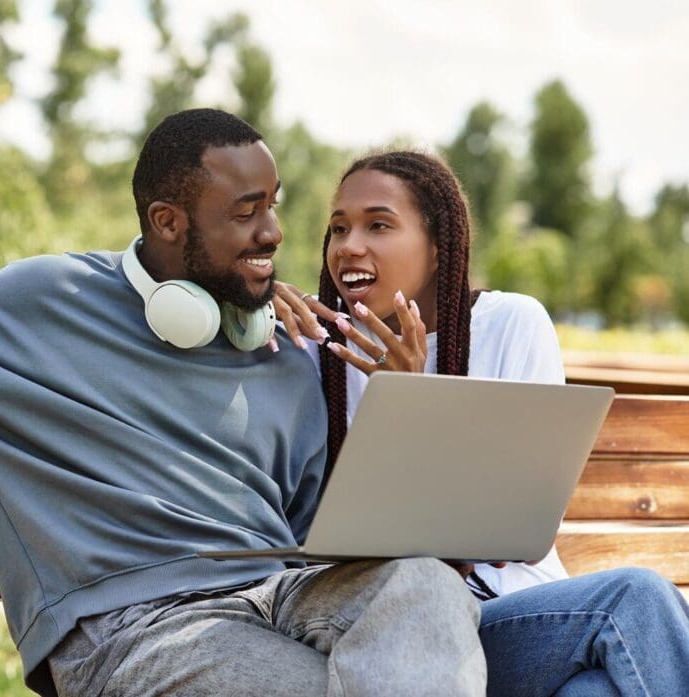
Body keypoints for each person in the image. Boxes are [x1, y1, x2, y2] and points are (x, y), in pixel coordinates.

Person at [0, 110, 488, 696]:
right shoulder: (38, 302)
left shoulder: (280, 346)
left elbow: (327, 541)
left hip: (277, 592)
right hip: (132, 628)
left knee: (423, 581)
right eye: (248, 211)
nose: (276, 232)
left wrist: (407, 410)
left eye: (277, 206)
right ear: (167, 222)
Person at [273, 150, 689, 696]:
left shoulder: (510, 323)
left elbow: (516, 534)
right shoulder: (315, 353)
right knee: (634, 597)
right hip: (413, 632)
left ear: (439, 245)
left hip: (518, 609)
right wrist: (255, 305)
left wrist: (417, 396)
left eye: (378, 224)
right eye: (338, 228)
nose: (349, 245)